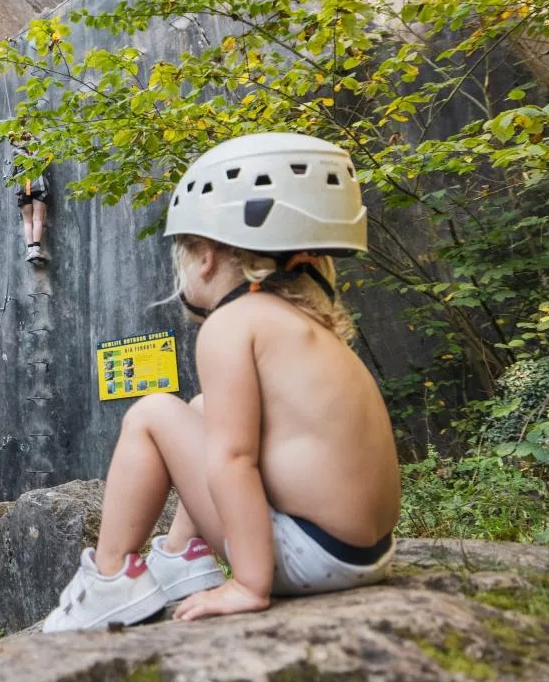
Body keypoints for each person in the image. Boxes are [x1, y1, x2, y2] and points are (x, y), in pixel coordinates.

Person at [42, 133, 400, 632]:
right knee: (206, 407)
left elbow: (234, 461)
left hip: (309, 557)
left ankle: (111, 579)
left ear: (205, 255)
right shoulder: (304, 326)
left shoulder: (231, 324)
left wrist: (249, 585)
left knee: (152, 413)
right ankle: (180, 556)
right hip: (364, 554)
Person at [7, 132, 52, 266]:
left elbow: (12, 174)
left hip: (22, 187)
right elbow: (45, 157)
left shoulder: (15, 153)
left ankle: (31, 250)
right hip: (39, 185)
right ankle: (36, 249)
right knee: (37, 219)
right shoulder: (38, 151)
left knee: (28, 221)